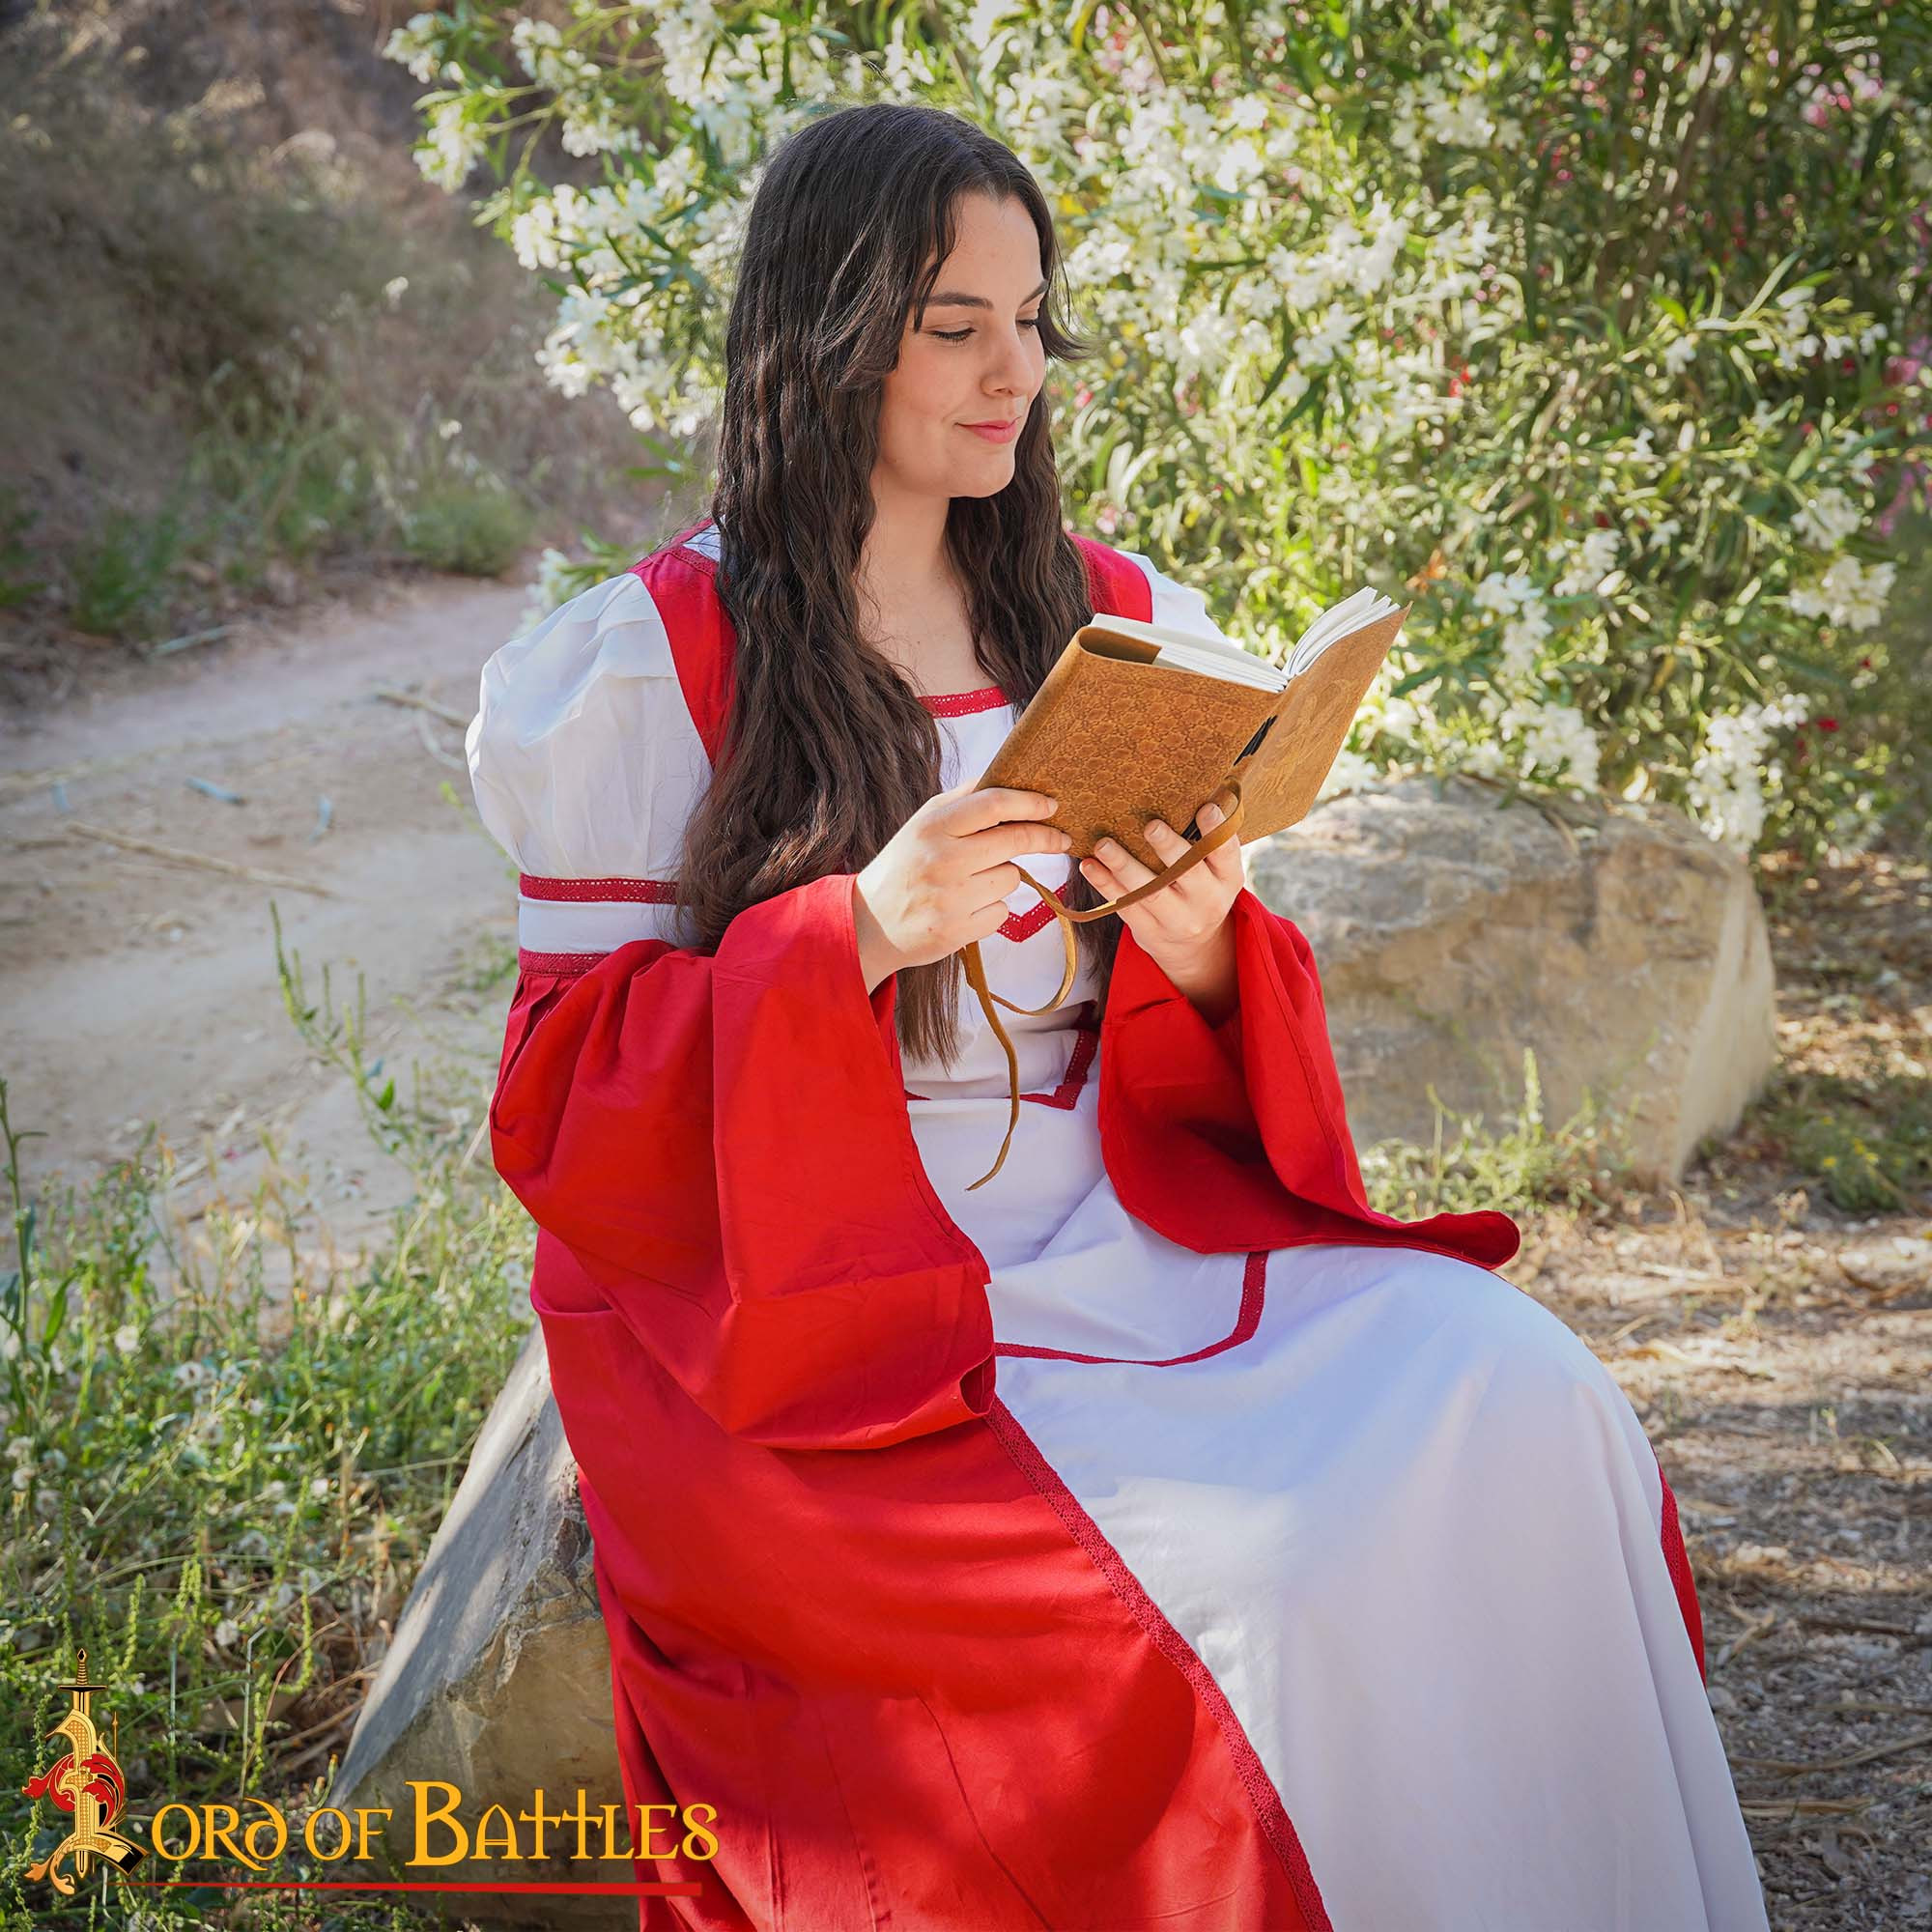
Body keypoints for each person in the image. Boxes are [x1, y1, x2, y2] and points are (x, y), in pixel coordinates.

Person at [466, 99, 1770, 1932]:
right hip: (820, 1312)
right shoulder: (650, 665)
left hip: (1127, 1226)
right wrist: (855, 930)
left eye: (1032, 320)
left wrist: (1207, 937)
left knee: (1533, 1397)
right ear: (827, 336)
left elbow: (1213, 1021)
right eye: (957, 327)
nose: (1017, 373)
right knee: (1251, 1586)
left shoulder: (1114, 618)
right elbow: (563, 1104)